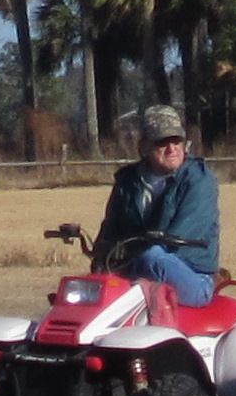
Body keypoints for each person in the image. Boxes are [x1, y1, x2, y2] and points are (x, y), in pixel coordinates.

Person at [91, 106, 220, 307]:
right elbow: (110, 228)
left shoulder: (199, 179)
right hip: (136, 269)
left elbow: (179, 238)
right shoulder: (127, 180)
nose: (172, 149)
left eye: (177, 141)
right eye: (162, 142)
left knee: (153, 257)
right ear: (143, 147)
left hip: (192, 276)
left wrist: (132, 251)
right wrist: (103, 252)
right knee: (95, 281)